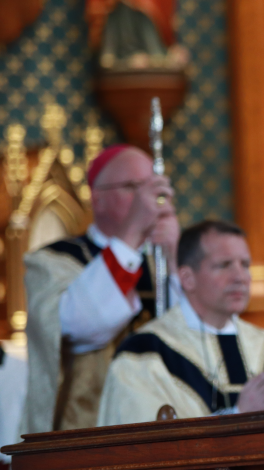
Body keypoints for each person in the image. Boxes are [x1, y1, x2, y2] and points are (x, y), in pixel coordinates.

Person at [20, 145, 181, 433]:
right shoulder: (52, 261)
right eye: (134, 187)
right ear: (97, 199)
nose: (148, 201)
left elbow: (194, 337)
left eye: (152, 189)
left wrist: (177, 258)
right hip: (86, 433)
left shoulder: (160, 262)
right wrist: (131, 233)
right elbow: (79, 325)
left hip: (162, 429)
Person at [97, 221, 264, 425]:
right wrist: (239, 415)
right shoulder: (143, 354)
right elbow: (149, 450)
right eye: (224, 265)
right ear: (187, 278)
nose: (240, 277)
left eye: (245, 265)